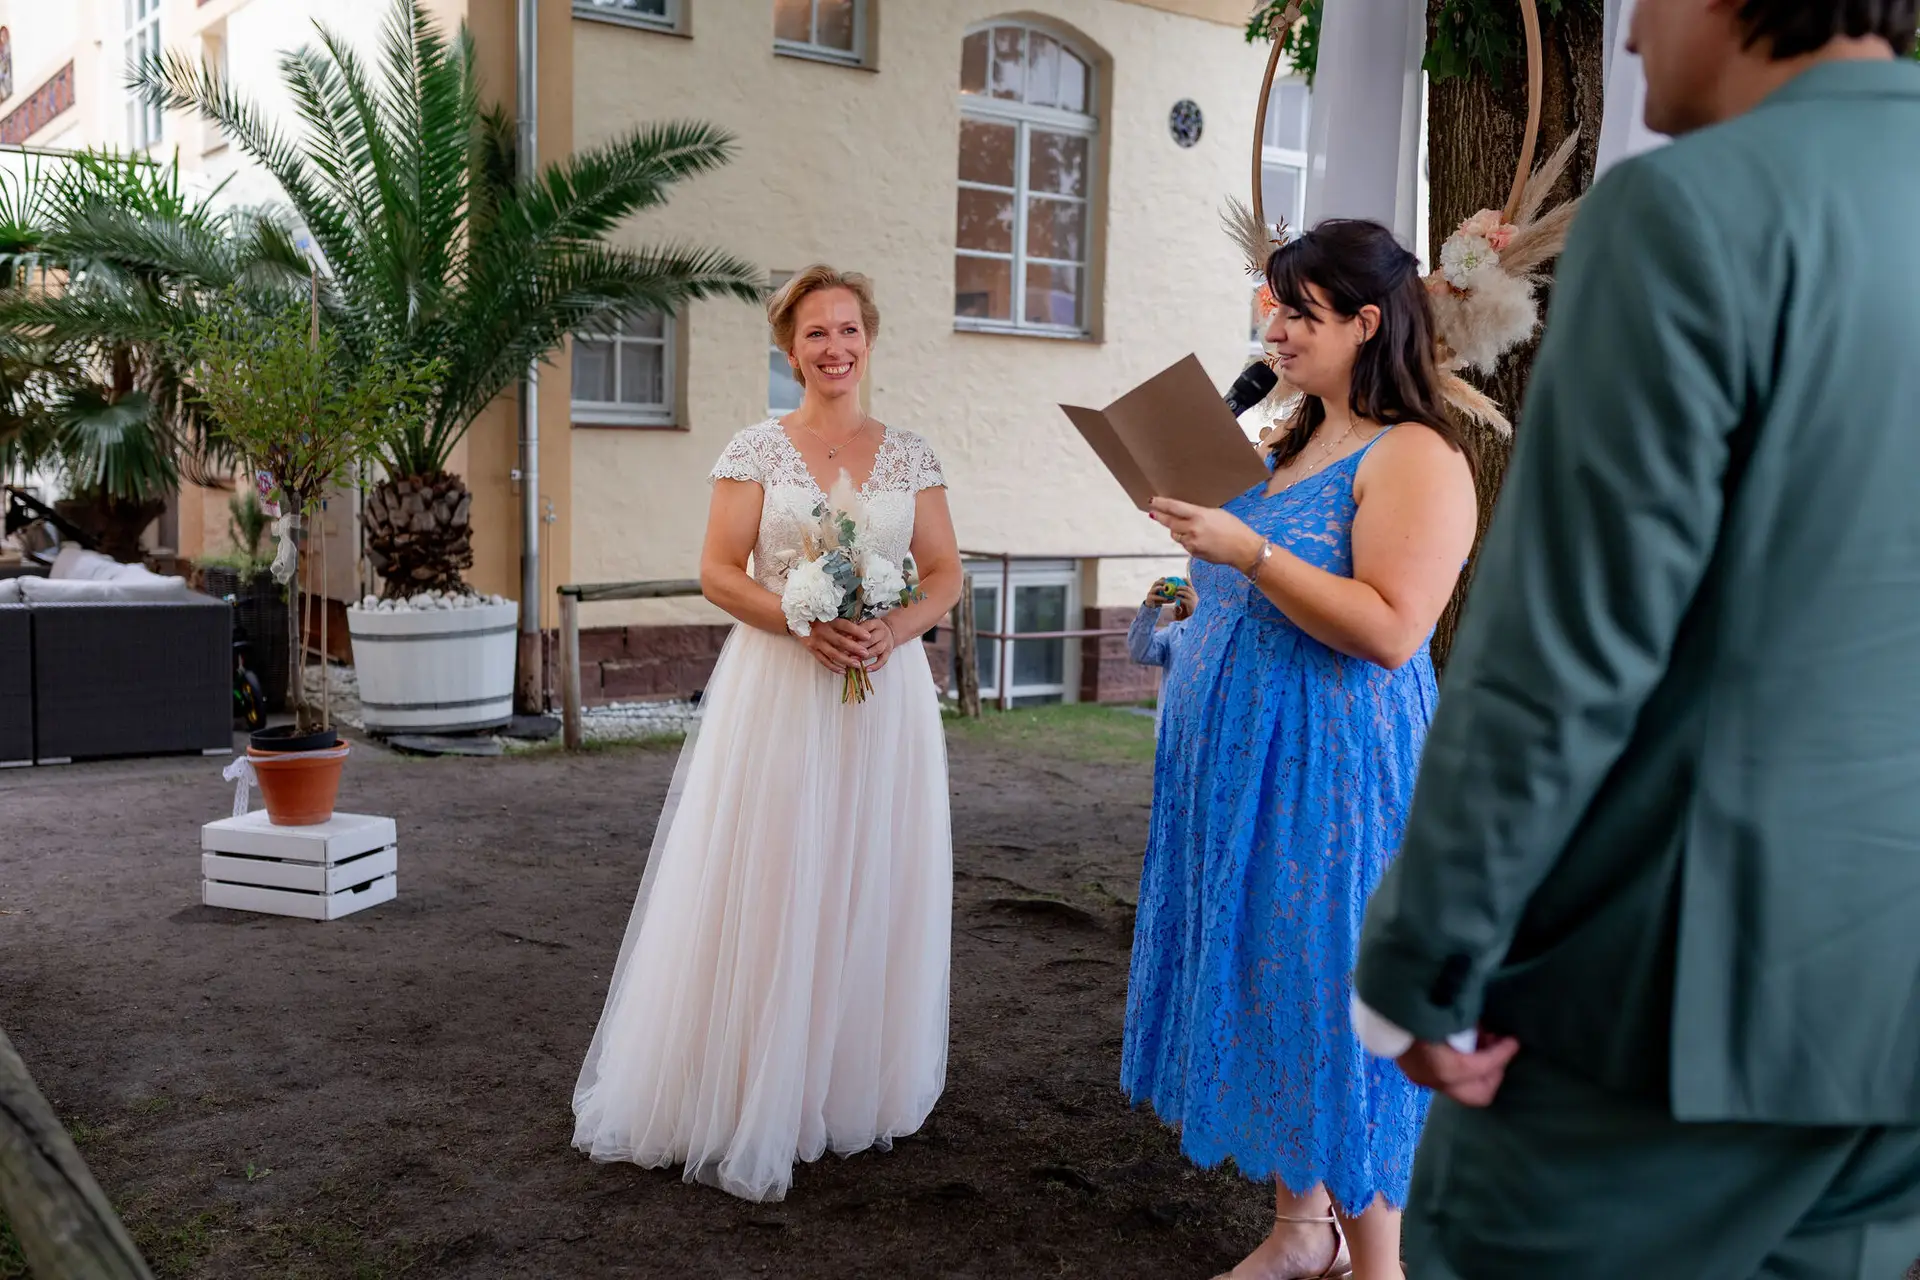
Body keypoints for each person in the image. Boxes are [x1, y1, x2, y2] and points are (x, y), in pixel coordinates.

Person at [1350, 3, 1920, 1276]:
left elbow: (1561, 654)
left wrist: (1421, 963)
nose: (1635, 30)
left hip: (1679, 997)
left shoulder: (1689, 213)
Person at [1130, 219, 1478, 1280]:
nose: (1272, 329)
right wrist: (1197, 577)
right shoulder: (1291, 436)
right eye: (1272, 307)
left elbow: (1389, 627)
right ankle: (1300, 1227)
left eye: (1299, 312)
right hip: (1237, 761)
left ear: (1367, 322)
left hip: (1333, 768)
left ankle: (1383, 1263)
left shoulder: (1417, 455)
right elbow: (1256, 583)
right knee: (1267, 977)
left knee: (1337, 996)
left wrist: (1252, 548)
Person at [572, 265, 963, 1203]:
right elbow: (715, 571)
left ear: (870, 339)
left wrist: (891, 628)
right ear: (790, 352)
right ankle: (751, 1084)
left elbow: (943, 573)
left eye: (849, 330)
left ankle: (842, 1082)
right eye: (815, 334)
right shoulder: (758, 449)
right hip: (780, 689)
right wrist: (801, 616)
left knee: (868, 870)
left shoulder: (909, 454)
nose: (835, 347)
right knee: (777, 869)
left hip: (885, 691)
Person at [1128, 574, 1196, 733]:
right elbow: (1140, 653)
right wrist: (1149, 610)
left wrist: (1199, 616)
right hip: (1170, 730)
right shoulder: (1175, 632)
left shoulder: (1223, 634)